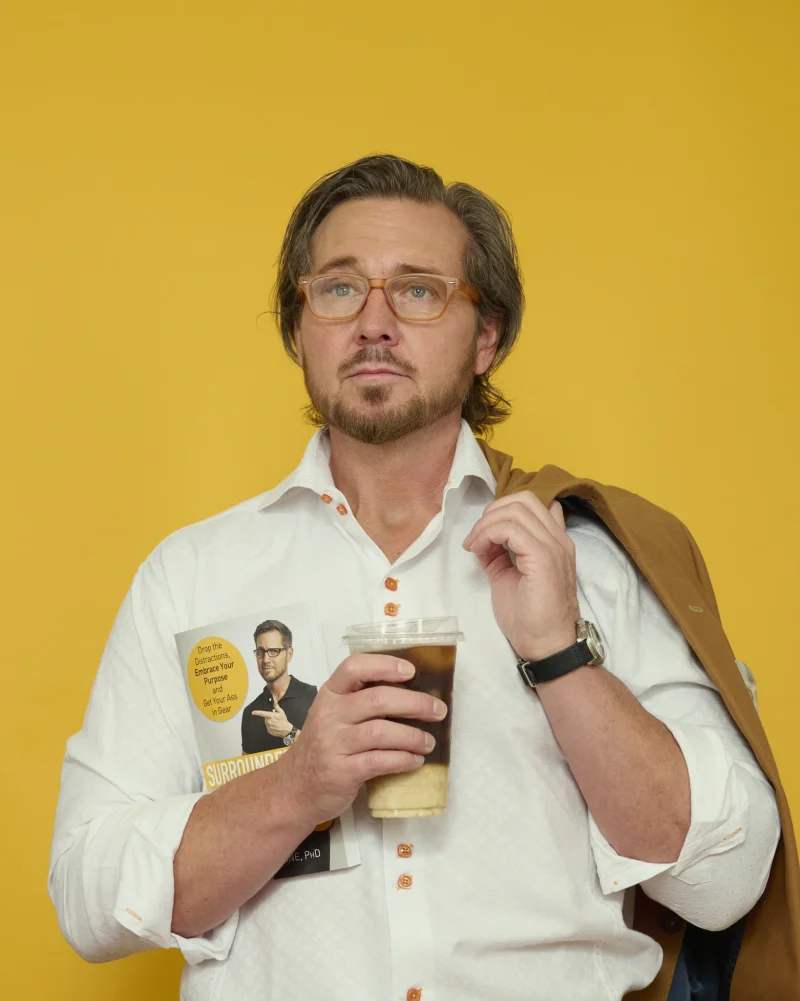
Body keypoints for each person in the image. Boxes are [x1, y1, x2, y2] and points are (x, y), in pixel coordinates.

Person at [48, 154, 785, 1000]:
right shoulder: (192, 574)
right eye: (338, 288)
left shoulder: (596, 555)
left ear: (487, 337)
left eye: (419, 290)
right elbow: (86, 896)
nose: (373, 321)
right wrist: (297, 786)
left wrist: (558, 654)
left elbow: (725, 886)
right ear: (298, 329)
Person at [241, 619, 317, 753]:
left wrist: (290, 732)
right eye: (260, 652)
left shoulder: (315, 696)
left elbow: (330, 752)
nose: (265, 660)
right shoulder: (250, 712)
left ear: (289, 654)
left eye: (274, 651)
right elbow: (247, 770)